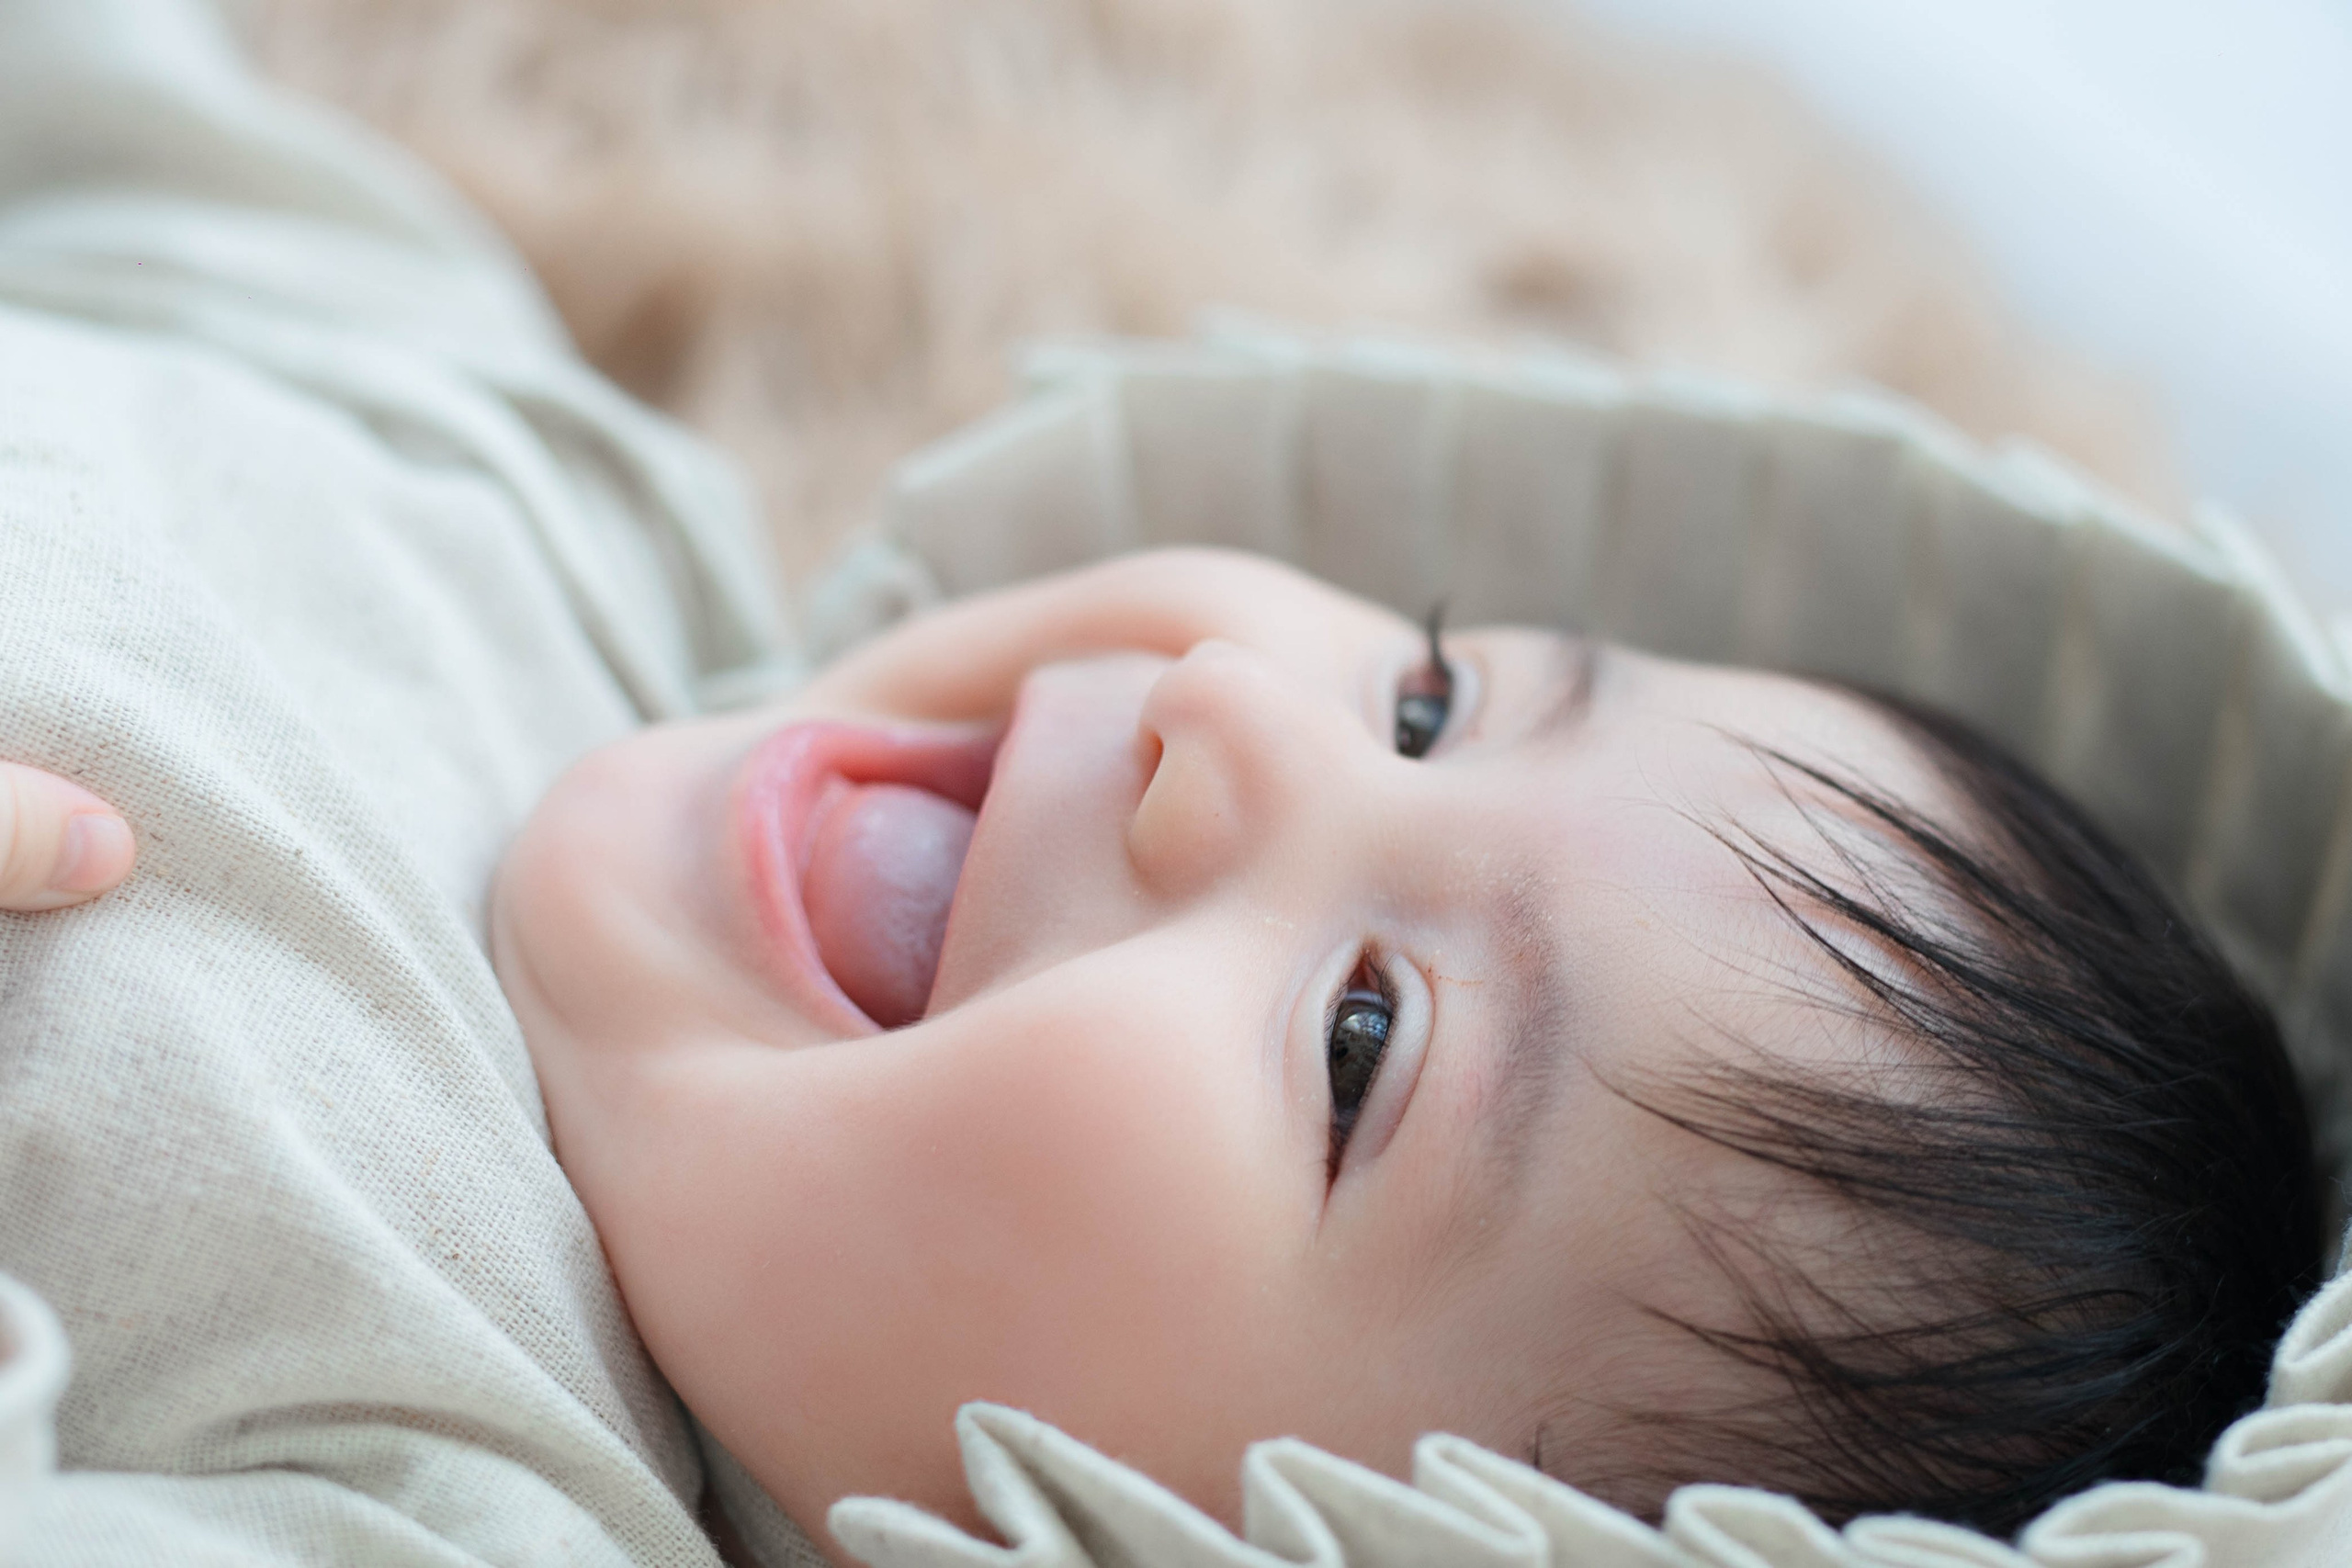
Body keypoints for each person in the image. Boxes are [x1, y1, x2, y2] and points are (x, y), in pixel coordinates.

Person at [494, 546, 2321, 1551]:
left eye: (1360, 1038)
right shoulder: (577, 527)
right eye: (1427, 703)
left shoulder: (416, 1485)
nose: (1220, 713)